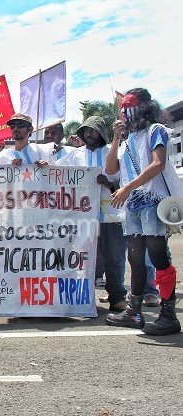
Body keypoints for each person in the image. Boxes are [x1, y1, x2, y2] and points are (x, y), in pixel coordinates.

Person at [105, 88, 181, 335]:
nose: (125, 113)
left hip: (152, 200)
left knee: (158, 256)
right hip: (133, 205)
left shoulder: (156, 131)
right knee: (135, 258)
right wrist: (116, 138)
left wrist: (127, 187)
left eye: (129, 108)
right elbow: (110, 169)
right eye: (123, 110)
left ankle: (168, 315)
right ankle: (134, 312)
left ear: (144, 108)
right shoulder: (127, 141)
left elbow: (158, 164)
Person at [57, 116, 127, 312]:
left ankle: (117, 297)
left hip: (110, 216)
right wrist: (42, 165)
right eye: (85, 131)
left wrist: (110, 183)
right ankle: (79, 298)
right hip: (82, 217)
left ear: (101, 132)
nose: (88, 134)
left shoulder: (114, 153)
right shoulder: (74, 155)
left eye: (92, 130)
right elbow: (56, 173)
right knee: (79, 258)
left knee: (113, 258)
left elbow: (125, 180)